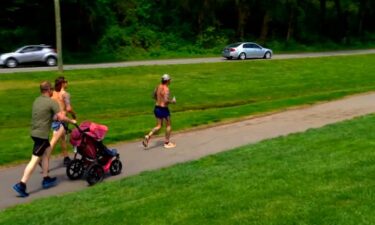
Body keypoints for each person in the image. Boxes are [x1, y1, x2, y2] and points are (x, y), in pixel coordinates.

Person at [12, 81, 76, 197]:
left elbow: (45, 115)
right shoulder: (51, 102)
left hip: (35, 132)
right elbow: (61, 117)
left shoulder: (37, 100)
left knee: (46, 153)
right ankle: (21, 184)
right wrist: (72, 121)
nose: (52, 91)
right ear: (48, 90)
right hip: (41, 136)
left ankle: (46, 178)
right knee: (34, 160)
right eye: (51, 89)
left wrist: (54, 118)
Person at [143, 74, 176, 149]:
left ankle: (148, 136)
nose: (170, 81)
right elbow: (166, 100)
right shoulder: (166, 89)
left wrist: (158, 100)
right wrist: (172, 101)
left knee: (159, 126)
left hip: (157, 108)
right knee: (168, 125)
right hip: (163, 109)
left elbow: (153, 95)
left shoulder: (158, 86)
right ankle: (167, 143)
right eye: (169, 80)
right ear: (167, 81)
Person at [50, 76, 77, 166]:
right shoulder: (65, 94)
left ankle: (66, 157)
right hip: (62, 120)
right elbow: (68, 109)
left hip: (54, 119)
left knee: (62, 139)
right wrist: (74, 115)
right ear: (63, 84)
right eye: (66, 82)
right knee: (54, 141)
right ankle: (42, 159)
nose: (67, 83)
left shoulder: (52, 93)